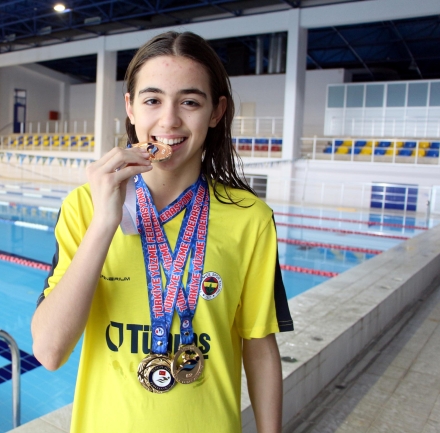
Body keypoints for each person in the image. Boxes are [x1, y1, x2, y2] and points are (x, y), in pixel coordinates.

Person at [32, 31, 293, 433]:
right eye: (152, 100)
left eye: (190, 102)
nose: (169, 120)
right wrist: (104, 223)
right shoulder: (84, 207)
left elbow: (259, 345)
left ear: (216, 112)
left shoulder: (251, 219)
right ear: (131, 108)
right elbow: (50, 351)